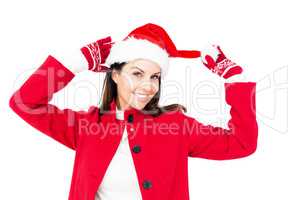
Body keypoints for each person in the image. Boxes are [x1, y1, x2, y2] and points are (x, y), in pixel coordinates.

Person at [9, 23, 258, 200]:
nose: (148, 85)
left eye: (155, 77)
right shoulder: (86, 125)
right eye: (137, 73)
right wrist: (75, 62)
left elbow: (241, 143)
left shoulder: (176, 126)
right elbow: (24, 102)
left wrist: (236, 81)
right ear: (115, 74)